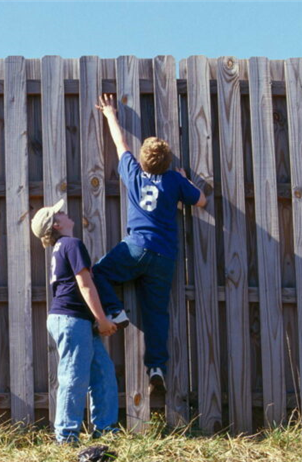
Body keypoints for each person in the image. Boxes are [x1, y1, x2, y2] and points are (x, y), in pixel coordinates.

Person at [93, 94, 207, 393]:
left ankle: (116, 310)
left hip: (136, 247)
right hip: (164, 256)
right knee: (156, 312)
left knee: (99, 273)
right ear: (169, 163)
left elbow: (121, 144)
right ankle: (156, 366)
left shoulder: (133, 173)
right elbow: (202, 201)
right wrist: (185, 179)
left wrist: (110, 114)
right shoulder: (174, 181)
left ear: (143, 160)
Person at [31, 199, 119, 444]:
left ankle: (106, 431)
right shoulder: (72, 244)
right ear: (56, 224)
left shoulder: (62, 247)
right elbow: (85, 284)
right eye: (59, 212)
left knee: (103, 372)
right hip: (71, 320)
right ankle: (66, 436)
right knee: (74, 376)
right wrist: (102, 319)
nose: (64, 211)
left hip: (74, 319)